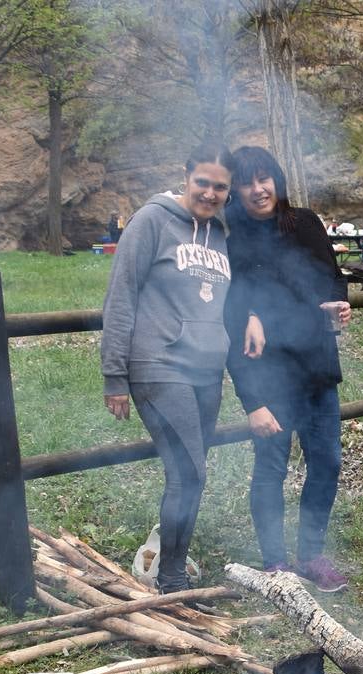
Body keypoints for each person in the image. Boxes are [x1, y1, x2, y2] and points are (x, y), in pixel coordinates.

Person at [101, 143, 235, 595]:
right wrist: (114, 376)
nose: (210, 193)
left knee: (190, 475)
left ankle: (173, 569)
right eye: (203, 182)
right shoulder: (151, 221)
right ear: (185, 176)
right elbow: (122, 296)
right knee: (190, 473)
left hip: (206, 371)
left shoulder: (220, 232)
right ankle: (173, 580)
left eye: (220, 186)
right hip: (157, 366)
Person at [224, 145, 352, 592]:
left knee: (327, 463)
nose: (259, 189)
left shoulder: (305, 223)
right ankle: (276, 564)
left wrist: (339, 301)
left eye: (265, 178)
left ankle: (312, 555)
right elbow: (232, 323)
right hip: (270, 378)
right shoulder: (233, 239)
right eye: (247, 181)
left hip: (317, 369)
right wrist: (252, 400)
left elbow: (333, 277)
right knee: (271, 469)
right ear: (235, 189)